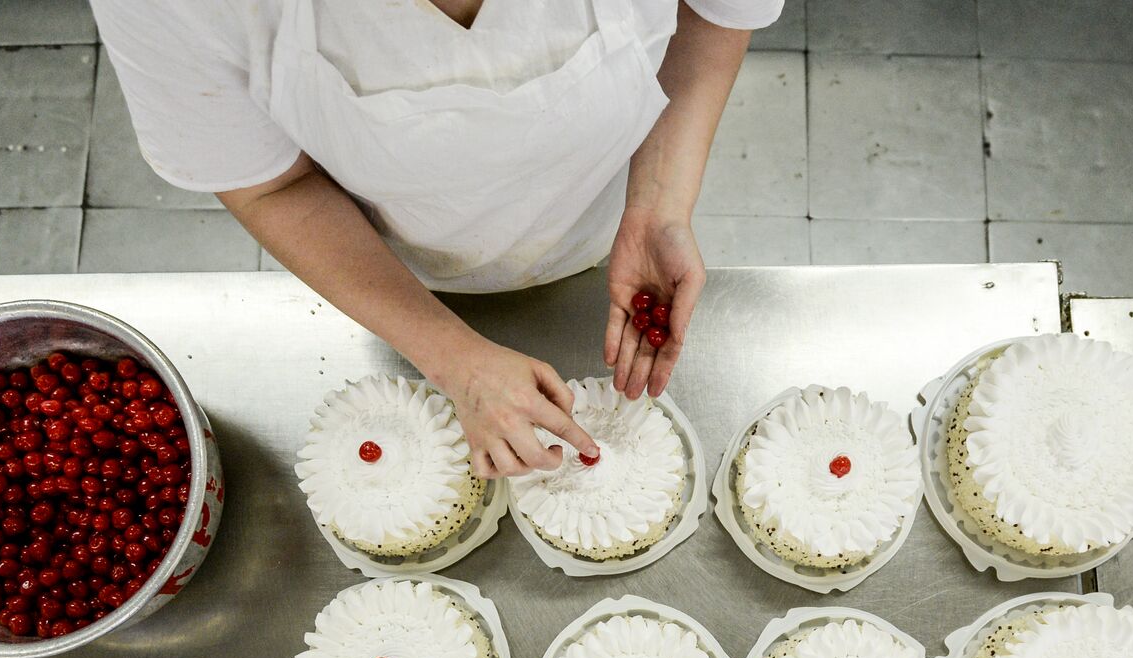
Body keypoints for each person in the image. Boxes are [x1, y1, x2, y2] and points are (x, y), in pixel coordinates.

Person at [90, 0, 784, 477]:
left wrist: (660, 202)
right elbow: (273, 186)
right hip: (393, 257)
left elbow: (714, 14)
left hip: (605, 217)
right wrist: (453, 358)